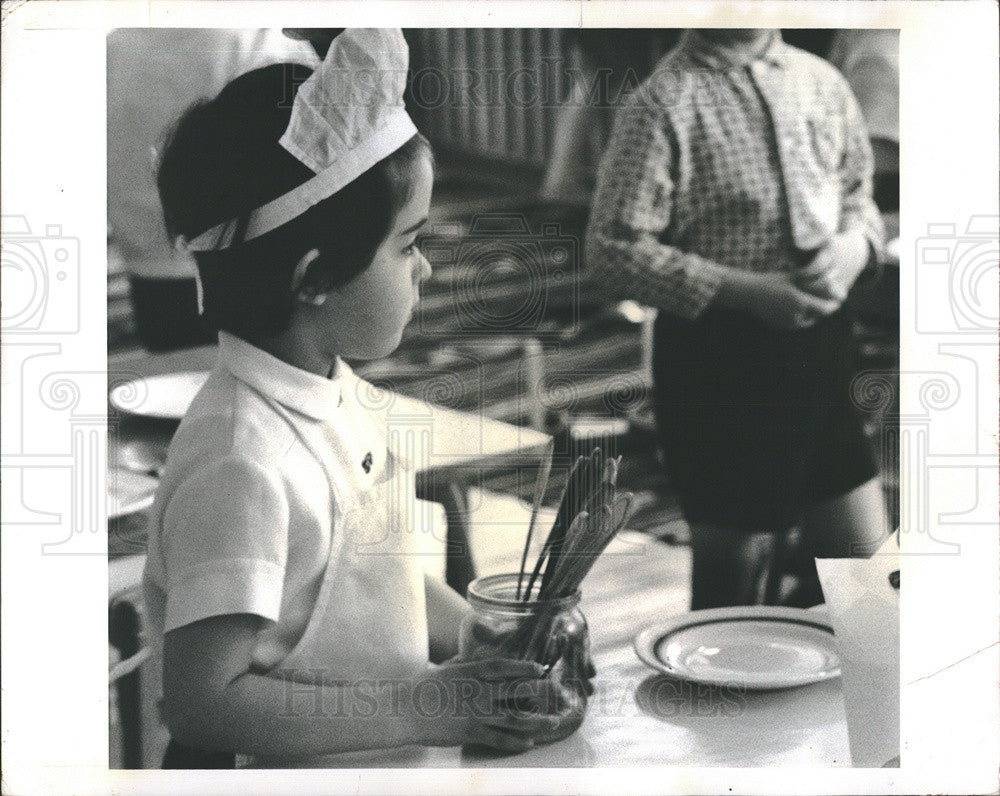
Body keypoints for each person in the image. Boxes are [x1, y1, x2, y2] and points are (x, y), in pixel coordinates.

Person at [144, 29, 589, 768]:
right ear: (313, 278)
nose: (429, 270)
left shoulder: (331, 391)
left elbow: (362, 579)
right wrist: (425, 703)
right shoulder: (239, 464)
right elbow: (202, 701)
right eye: (408, 244)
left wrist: (479, 632)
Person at [586, 29, 890, 609]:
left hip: (821, 358)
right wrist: (749, 293)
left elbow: (858, 196)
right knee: (732, 586)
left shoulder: (822, 81)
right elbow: (612, 249)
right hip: (722, 367)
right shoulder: (662, 104)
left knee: (868, 577)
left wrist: (855, 250)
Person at [107, 28, 317, 351]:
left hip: (147, 265)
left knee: (175, 371)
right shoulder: (253, 37)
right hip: (248, 263)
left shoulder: (117, 46)